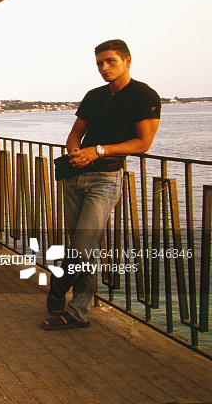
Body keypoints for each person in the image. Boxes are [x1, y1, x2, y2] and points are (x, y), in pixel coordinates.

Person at [43, 39, 160, 330]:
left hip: (105, 178)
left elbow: (143, 143)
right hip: (75, 175)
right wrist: (75, 154)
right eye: (99, 63)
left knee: (83, 247)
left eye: (110, 61)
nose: (104, 68)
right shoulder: (94, 96)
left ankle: (58, 287)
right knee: (82, 247)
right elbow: (75, 134)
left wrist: (98, 151)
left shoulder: (144, 95)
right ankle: (79, 313)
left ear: (127, 61)